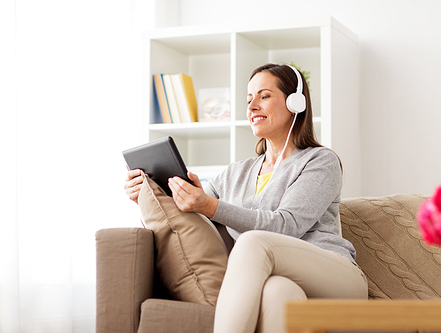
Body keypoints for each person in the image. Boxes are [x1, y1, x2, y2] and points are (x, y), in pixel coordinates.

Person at [124, 63, 368, 333]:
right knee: (277, 292)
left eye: (264, 96)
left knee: (254, 242)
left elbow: (286, 225)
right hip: (281, 278)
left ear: (295, 103)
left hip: (336, 275)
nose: (252, 107)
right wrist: (150, 195)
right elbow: (198, 215)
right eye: (249, 99)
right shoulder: (235, 173)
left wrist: (209, 204)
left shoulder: (320, 161)